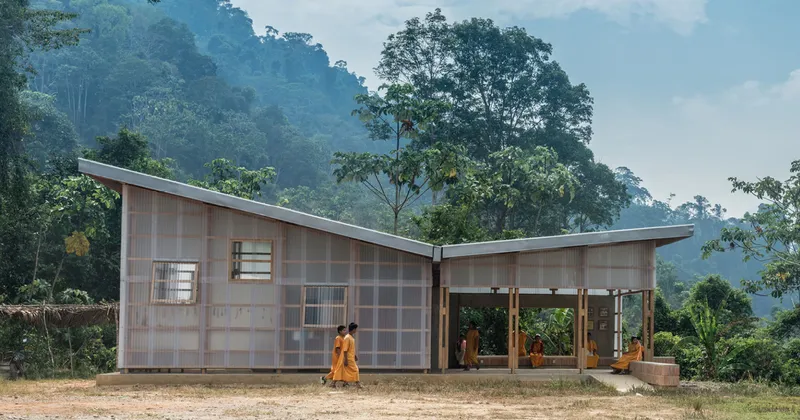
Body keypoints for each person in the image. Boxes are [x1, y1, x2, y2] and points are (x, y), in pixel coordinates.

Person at [333, 323, 361, 388]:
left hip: (350, 357)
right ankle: (358, 385)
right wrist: (345, 359)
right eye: (355, 329)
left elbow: (351, 349)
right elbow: (345, 350)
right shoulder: (347, 338)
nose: (356, 330)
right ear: (353, 329)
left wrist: (354, 356)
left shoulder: (351, 338)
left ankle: (335, 383)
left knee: (342, 370)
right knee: (355, 370)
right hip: (348, 357)